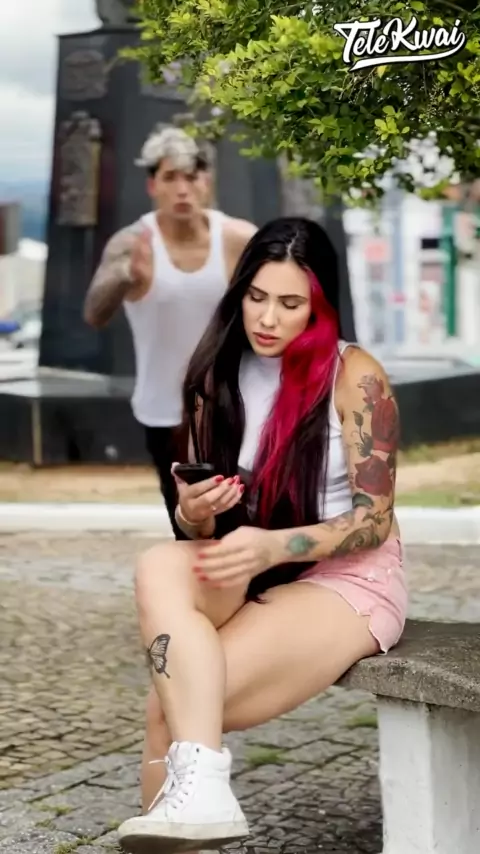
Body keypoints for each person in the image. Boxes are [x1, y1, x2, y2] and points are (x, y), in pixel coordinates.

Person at [117, 216, 408, 854]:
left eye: (290, 303)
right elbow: (201, 530)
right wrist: (195, 514)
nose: (268, 318)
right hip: (251, 562)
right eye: (256, 296)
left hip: (346, 578)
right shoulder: (217, 372)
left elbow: (374, 520)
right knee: (159, 564)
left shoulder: (354, 375)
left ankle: (200, 795)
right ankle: (203, 797)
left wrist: (277, 545)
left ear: (320, 304)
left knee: (170, 708)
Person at [83, 126, 257, 538]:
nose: (182, 189)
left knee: (243, 525)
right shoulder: (132, 244)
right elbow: (94, 313)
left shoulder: (238, 239)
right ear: (152, 185)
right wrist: (125, 276)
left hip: (237, 406)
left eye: (191, 177)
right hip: (167, 413)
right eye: (170, 177)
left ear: (206, 181)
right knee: (192, 529)